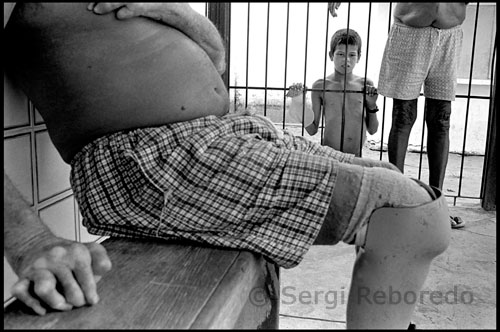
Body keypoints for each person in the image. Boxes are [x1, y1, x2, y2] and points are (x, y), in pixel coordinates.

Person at [4, 3, 451, 329]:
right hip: (153, 156)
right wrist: (28, 240)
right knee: (411, 217)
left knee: (396, 184)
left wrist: (171, 12)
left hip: (224, 134)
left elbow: (215, 57)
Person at [377, 3, 468, 229]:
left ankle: (436, 205)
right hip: (411, 32)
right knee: (403, 117)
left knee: (441, 120)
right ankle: (395, 202)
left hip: (450, 33)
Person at [304, 28, 379, 157]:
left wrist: (372, 105)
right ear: (331, 55)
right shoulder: (320, 86)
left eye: (352, 55)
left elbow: (372, 130)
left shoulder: (365, 84)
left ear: (359, 57)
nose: (346, 60)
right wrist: (300, 104)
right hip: (329, 156)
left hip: (356, 157)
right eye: (340, 54)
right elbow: (312, 130)